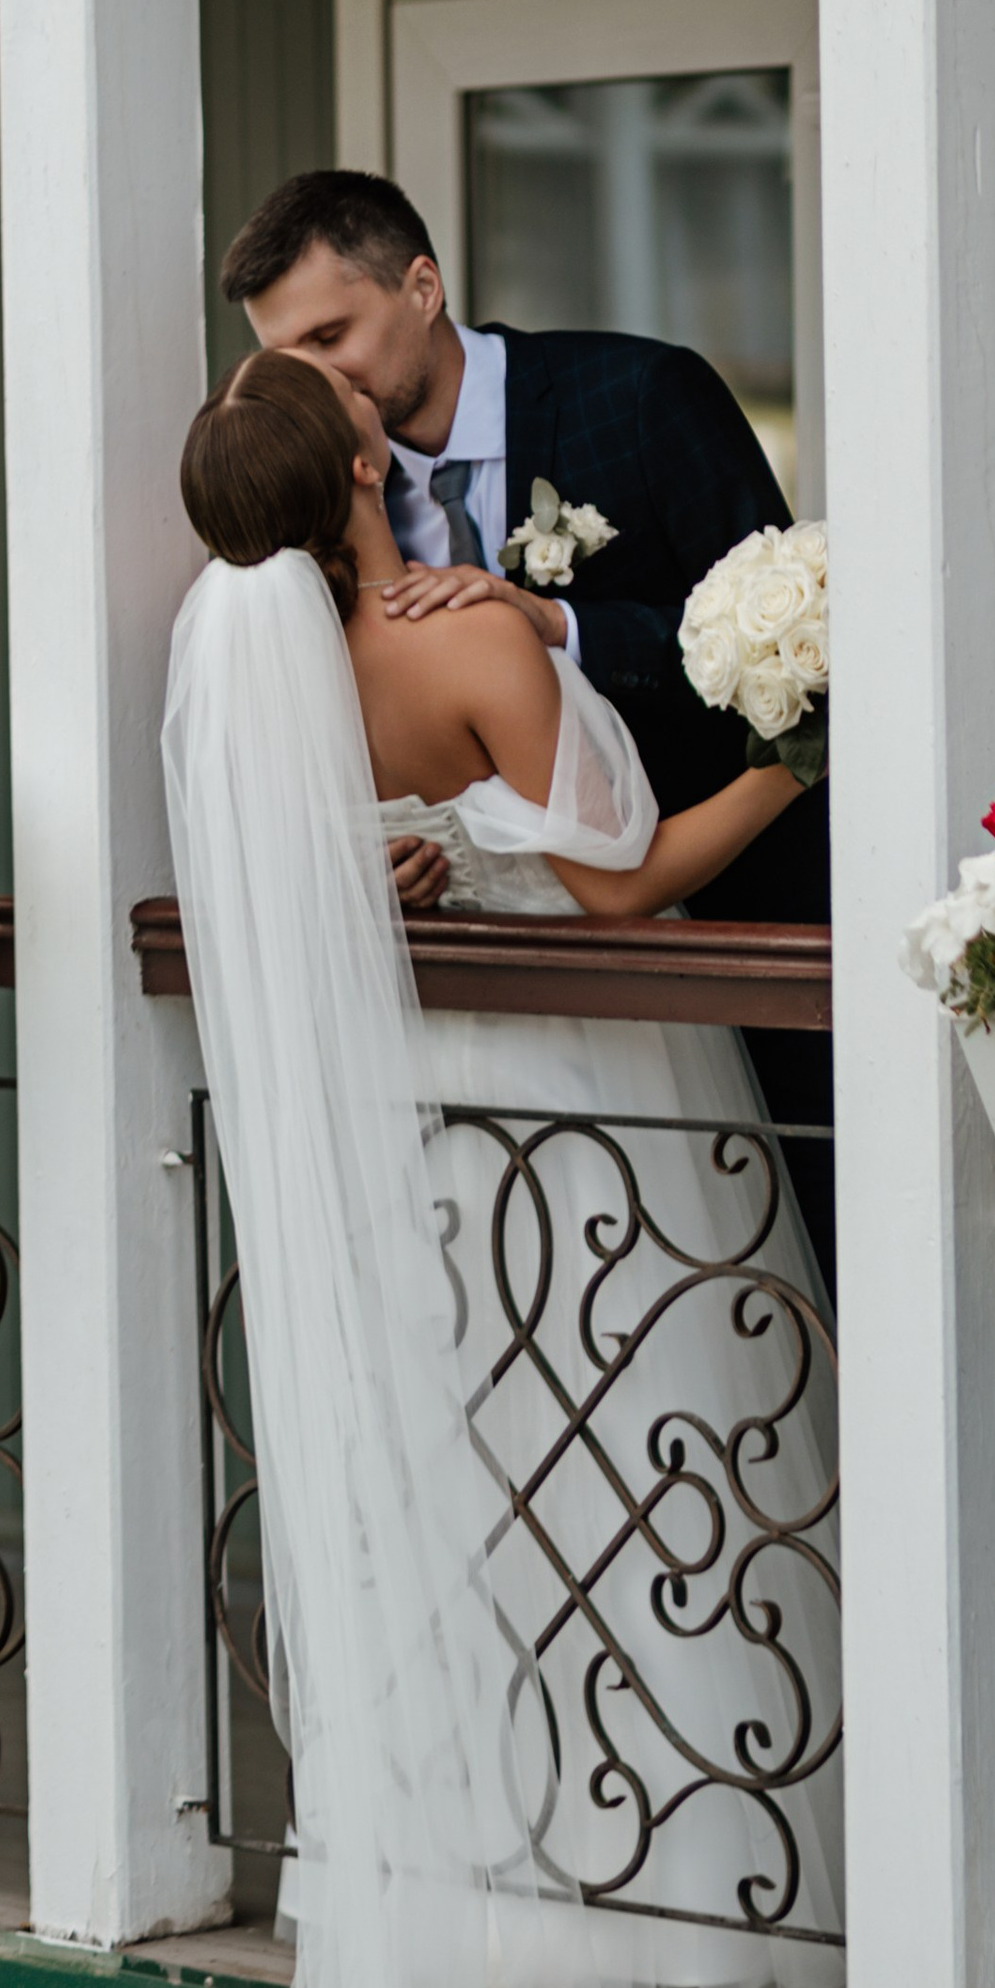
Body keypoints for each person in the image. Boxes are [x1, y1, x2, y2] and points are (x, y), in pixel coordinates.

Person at [165, 347, 842, 1988]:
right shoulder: (464, 649)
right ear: (365, 472)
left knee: (514, 1497)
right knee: (669, 1457)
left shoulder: (264, 683)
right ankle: (707, 1890)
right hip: (609, 1106)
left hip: (452, 1147)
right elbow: (625, 890)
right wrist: (803, 758)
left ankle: (520, 1873)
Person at [224, 167, 835, 1279]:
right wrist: (381, 861)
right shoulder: (316, 517)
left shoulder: (643, 395)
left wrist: (556, 619)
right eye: (290, 356)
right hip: (494, 1024)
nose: (321, 376)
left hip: (743, 936)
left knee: (807, 1276)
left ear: (421, 283)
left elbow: (792, 642)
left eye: (332, 332)